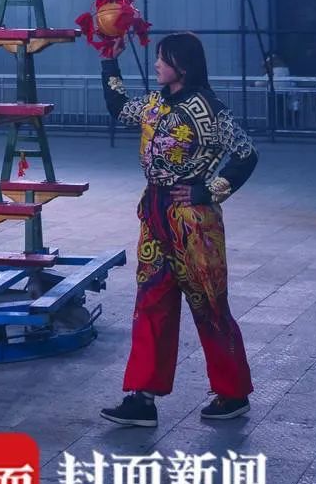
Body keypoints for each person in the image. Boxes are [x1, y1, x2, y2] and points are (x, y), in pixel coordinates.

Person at [98, 31, 258, 428]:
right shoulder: (154, 104)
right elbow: (119, 108)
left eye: (162, 58)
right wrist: (109, 60)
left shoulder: (210, 110)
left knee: (209, 304)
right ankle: (142, 398)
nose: (156, 65)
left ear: (182, 66)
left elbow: (246, 154)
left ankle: (233, 393)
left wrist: (208, 191)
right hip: (155, 213)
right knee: (151, 301)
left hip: (193, 221)